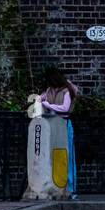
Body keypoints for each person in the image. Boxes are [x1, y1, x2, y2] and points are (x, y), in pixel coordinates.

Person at [37, 67, 79, 198]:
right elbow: (40, 99)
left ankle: (71, 189)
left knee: (67, 157)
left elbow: (65, 108)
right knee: (54, 157)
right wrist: (39, 99)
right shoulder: (49, 90)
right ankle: (57, 188)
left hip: (64, 124)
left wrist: (47, 105)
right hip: (52, 125)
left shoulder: (67, 90)